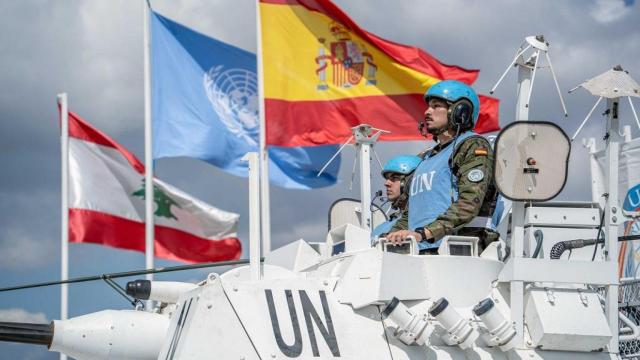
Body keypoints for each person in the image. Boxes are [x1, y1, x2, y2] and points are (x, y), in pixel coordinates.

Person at [386, 80, 498, 254]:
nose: (427, 112)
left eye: (436, 106)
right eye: (428, 107)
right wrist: (390, 237)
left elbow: (469, 203)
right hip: (420, 250)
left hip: (458, 252)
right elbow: (411, 213)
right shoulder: (424, 159)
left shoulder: (472, 146)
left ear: (460, 112)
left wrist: (425, 233)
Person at [370, 155, 422, 242]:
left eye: (394, 178)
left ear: (410, 181)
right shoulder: (382, 227)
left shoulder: (423, 221)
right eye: (387, 178)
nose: (386, 183)